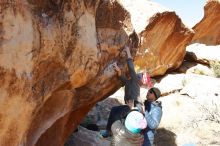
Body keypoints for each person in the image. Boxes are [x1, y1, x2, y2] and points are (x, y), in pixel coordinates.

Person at [100, 44, 147, 138]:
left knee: (117, 114)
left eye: (140, 75)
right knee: (116, 111)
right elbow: (122, 78)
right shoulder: (130, 81)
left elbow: (131, 66)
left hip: (135, 105)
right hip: (131, 104)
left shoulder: (135, 80)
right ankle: (111, 132)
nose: (138, 75)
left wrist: (128, 50)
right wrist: (117, 69)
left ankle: (111, 132)